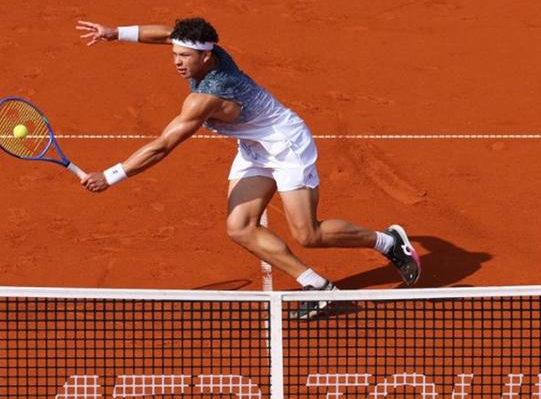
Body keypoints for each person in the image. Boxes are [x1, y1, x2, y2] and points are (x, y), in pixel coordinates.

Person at [76, 17, 421, 318]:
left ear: (206, 56)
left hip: (285, 144)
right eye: (175, 55)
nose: (177, 62)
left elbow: (163, 145)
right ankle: (317, 287)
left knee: (307, 234)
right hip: (255, 147)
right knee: (240, 227)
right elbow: (168, 33)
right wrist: (115, 32)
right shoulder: (204, 52)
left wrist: (111, 175)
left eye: (184, 56)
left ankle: (388, 242)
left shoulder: (205, 97)